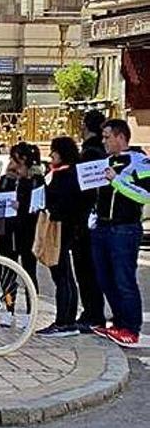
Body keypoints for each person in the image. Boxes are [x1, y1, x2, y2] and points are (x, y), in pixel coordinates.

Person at [91, 119, 148, 347]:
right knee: (105, 278)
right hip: (102, 227)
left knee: (124, 279)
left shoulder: (140, 163)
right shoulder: (104, 162)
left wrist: (118, 181)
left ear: (121, 137)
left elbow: (145, 196)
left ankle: (131, 328)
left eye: (107, 137)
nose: (104, 141)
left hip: (124, 228)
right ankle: (118, 321)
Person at [36, 137, 82, 337]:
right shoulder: (58, 174)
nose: (51, 155)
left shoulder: (67, 176)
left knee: (62, 275)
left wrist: (50, 209)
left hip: (61, 229)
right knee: (63, 275)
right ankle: (66, 319)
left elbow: (65, 204)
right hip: (60, 227)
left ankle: (65, 321)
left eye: (54, 151)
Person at [0, 142, 45, 329]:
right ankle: (9, 308)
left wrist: (22, 206)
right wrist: (7, 179)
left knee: (29, 271)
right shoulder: (7, 179)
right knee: (7, 273)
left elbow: (38, 205)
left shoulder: (35, 180)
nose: (11, 162)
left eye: (14, 158)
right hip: (8, 232)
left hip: (27, 231)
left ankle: (30, 311)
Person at [72, 110, 106, 333]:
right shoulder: (102, 152)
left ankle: (92, 314)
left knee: (86, 270)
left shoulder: (90, 153)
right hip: (95, 217)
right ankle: (94, 312)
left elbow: (83, 190)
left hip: (84, 219)